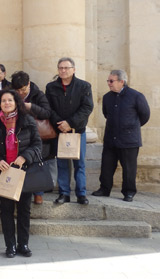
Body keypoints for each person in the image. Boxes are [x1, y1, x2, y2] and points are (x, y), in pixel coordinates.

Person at [0, 89, 41, 258]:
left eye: (10, 100)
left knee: (24, 210)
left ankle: (23, 244)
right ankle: (10, 246)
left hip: (24, 172)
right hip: (3, 172)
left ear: (16, 102)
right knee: (6, 210)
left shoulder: (27, 120)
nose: (6, 103)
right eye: (3, 101)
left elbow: (37, 145)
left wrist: (24, 157)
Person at [93, 70, 150, 202]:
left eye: (111, 81)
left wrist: (131, 127)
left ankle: (129, 192)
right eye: (108, 81)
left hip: (129, 140)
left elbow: (145, 115)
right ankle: (104, 189)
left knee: (129, 168)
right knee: (107, 165)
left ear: (121, 82)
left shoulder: (136, 96)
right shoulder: (107, 97)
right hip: (110, 138)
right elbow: (106, 113)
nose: (109, 83)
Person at [45, 57, 94, 205]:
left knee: (80, 164)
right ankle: (64, 193)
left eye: (66, 68)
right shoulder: (51, 87)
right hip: (60, 132)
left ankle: (81, 194)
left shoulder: (84, 86)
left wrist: (70, 123)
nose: (63, 71)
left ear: (74, 69)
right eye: (60, 68)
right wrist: (60, 124)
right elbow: (49, 108)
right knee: (62, 164)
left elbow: (87, 108)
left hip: (77, 131)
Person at [11, 71, 54, 204]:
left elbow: (47, 112)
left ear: (28, 84)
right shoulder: (11, 95)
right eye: (18, 90)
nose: (21, 93)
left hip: (34, 133)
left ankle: (38, 192)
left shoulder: (37, 94)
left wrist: (31, 107)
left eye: (23, 89)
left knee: (35, 161)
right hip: (17, 134)